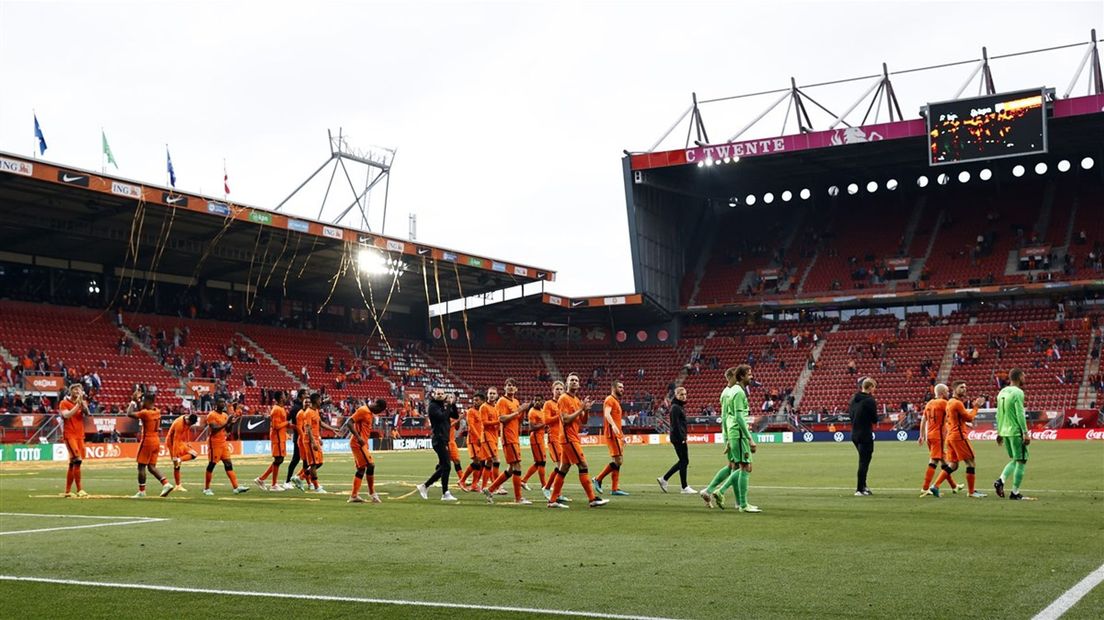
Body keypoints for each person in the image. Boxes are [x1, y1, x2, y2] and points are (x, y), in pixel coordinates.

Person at [701, 366, 759, 512]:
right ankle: (734, 499)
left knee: (733, 466)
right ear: (735, 376)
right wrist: (728, 437)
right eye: (748, 374)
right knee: (741, 467)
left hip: (731, 432)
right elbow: (729, 416)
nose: (751, 376)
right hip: (735, 432)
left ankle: (735, 501)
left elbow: (726, 416)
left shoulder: (727, 392)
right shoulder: (733, 392)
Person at [545, 373, 608, 509]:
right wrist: (580, 409)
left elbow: (583, 421)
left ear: (579, 384)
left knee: (563, 469)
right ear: (567, 383)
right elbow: (565, 419)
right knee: (583, 466)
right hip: (568, 438)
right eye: (571, 380)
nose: (574, 382)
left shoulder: (577, 400)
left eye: (576, 380)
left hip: (572, 437)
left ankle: (552, 500)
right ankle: (592, 499)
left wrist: (586, 410)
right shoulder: (563, 398)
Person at [482, 379, 531, 504]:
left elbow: (518, 420)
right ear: (505, 388)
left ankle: (491, 489)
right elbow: (502, 419)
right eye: (509, 385)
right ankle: (518, 498)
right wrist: (519, 411)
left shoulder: (515, 401)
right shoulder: (502, 401)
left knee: (511, 468)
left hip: (515, 437)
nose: (511, 387)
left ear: (516, 389)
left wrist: (523, 411)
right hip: (508, 438)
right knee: (517, 466)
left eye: (513, 385)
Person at [935, 381, 986, 497]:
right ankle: (971, 492)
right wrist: (976, 407)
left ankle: (935, 486)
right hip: (959, 436)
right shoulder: (957, 403)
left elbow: (956, 419)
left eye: (965, 387)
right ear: (954, 389)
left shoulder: (950, 402)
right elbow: (969, 418)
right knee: (971, 462)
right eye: (961, 387)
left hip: (951, 436)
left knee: (953, 465)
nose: (964, 389)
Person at [995, 368, 1035, 500]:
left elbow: (999, 414)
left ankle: (1001, 480)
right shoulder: (1018, 392)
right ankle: (1015, 493)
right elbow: (1020, 413)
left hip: (1005, 431)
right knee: (1022, 460)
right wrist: (1025, 432)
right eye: (1024, 376)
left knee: (1015, 459)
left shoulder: (1002, 392)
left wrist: (999, 432)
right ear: (1019, 377)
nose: (1025, 378)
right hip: (1016, 431)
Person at [125, 391, 174, 498]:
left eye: (143, 400)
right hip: (156, 440)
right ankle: (166, 484)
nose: (142, 402)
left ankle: (142, 492)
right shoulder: (157, 411)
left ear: (147, 401)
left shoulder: (146, 413)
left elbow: (129, 413)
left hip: (147, 441)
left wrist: (133, 401)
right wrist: (139, 402)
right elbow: (143, 410)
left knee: (141, 467)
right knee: (151, 467)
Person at [416, 387, 460, 501]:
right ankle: (443, 492)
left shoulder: (441, 406)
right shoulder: (433, 406)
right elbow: (442, 417)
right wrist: (449, 405)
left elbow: (455, 416)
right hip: (439, 439)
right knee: (447, 466)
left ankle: (426, 486)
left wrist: (453, 404)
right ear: (434, 395)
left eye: (442, 393)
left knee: (444, 467)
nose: (440, 395)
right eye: (438, 393)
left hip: (443, 439)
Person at [918, 384, 959, 497]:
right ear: (942, 393)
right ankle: (925, 488)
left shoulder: (929, 403)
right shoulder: (944, 403)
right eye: (946, 391)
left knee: (943, 461)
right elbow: (953, 416)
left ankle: (954, 486)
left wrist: (921, 435)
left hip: (929, 436)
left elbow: (923, 420)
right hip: (938, 437)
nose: (948, 392)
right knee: (934, 461)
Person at [203, 398, 249, 495]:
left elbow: (227, 430)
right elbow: (214, 429)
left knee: (228, 464)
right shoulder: (211, 415)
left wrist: (232, 423)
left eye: (224, 402)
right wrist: (226, 422)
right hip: (214, 443)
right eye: (221, 402)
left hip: (223, 442)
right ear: (216, 404)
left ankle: (236, 487)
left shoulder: (224, 415)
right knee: (211, 465)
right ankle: (206, 488)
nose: (223, 404)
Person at [348, 397, 387, 504]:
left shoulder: (368, 413)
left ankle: (354, 495)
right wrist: (358, 437)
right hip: (358, 443)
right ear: (377, 405)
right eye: (379, 410)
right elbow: (349, 422)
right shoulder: (363, 410)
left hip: (362, 443)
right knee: (371, 465)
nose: (378, 413)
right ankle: (372, 493)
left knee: (361, 469)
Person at [593, 380, 628, 496]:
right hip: (611, 434)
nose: (622, 389)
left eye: (623, 387)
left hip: (617, 434)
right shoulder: (609, 399)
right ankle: (598, 479)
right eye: (620, 387)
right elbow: (607, 414)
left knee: (617, 461)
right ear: (613, 388)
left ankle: (615, 489)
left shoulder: (616, 402)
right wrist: (613, 425)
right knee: (619, 460)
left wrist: (622, 436)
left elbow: (617, 421)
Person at [658, 386, 695, 494]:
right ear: (676, 395)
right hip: (678, 438)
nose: (684, 396)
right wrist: (682, 438)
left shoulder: (679, 406)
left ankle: (664, 479)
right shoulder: (675, 407)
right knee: (684, 461)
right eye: (681, 394)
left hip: (679, 437)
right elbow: (675, 425)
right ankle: (684, 487)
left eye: (685, 394)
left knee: (684, 461)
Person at [59, 384, 89, 498]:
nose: (78, 391)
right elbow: (66, 415)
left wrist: (84, 405)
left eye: (80, 389)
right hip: (70, 435)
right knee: (78, 460)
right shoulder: (64, 403)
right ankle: (79, 489)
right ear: (70, 391)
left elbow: (87, 414)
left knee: (73, 463)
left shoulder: (81, 402)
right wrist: (78, 405)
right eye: (75, 389)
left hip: (80, 435)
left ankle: (67, 491)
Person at [849, 377, 878, 496]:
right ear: (870, 387)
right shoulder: (870, 400)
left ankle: (863, 486)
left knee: (863, 461)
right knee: (864, 462)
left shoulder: (853, 399)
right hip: (865, 434)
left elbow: (851, 415)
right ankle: (859, 489)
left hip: (855, 434)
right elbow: (874, 419)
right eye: (874, 387)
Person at [255, 391, 288, 491]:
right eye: (284, 396)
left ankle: (262, 479)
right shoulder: (276, 409)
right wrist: (287, 423)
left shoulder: (280, 409)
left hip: (281, 437)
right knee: (278, 460)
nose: (286, 397)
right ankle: (272, 484)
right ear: (281, 398)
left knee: (279, 460)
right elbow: (276, 426)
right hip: (277, 438)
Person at [458, 392, 490, 491]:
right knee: (476, 461)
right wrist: (479, 437)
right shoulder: (471, 411)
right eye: (474, 400)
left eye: (477, 400)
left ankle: (474, 484)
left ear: (483, 401)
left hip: (482, 440)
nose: (474, 402)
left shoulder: (483, 411)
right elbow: (471, 426)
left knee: (481, 463)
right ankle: (462, 480)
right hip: (473, 440)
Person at [540, 382, 566, 500]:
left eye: (561, 389)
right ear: (552, 390)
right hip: (553, 438)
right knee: (560, 465)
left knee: (563, 466)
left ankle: (556, 491)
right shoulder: (548, 404)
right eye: (557, 389)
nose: (559, 391)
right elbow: (546, 420)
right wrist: (560, 415)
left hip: (563, 438)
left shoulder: (564, 403)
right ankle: (548, 488)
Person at [165, 410, 199, 491]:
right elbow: (175, 440)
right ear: (188, 420)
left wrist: (187, 442)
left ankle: (180, 460)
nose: (189, 425)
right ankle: (178, 485)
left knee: (194, 454)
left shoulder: (188, 421)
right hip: (172, 443)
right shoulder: (179, 424)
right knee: (176, 465)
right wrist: (174, 456)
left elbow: (186, 431)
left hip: (180, 442)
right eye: (190, 424)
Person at [520, 396, 548, 491]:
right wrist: (544, 424)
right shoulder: (532, 412)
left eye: (539, 400)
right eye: (535, 400)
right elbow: (531, 428)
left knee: (538, 462)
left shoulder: (542, 410)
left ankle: (523, 481)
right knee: (542, 462)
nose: (537, 402)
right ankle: (544, 485)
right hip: (536, 438)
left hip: (540, 437)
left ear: (542, 401)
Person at [282, 390, 306, 490]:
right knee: (297, 460)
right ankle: (288, 481)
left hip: (302, 436)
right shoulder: (296, 408)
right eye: (305, 395)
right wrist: (293, 427)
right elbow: (287, 420)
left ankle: (304, 480)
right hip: (299, 437)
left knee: (305, 460)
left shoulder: (300, 407)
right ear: (301, 396)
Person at [481, 386, 503, 493]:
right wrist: (498, 422)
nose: (492, 395)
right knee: (496, 460)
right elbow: (484, 423)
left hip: (494, 436)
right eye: (490, 393)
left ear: (497, 395)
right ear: (487, 395)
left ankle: (484, 486)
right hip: (487, 436)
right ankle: (497, 486)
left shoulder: (496, 407)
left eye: (494, 393)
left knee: (488, 462)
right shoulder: (484, 407)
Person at [446, 393, 465, 482]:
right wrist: (459, 419)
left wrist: (458, 420)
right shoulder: (443, 412)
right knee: (446, 463)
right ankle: (462, 479)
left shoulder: (453, 412)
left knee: (456, 460)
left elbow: (456, 427)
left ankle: (462, 479)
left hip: (451, 440)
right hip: (446, 441)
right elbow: (446, 426)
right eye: (450, 397)